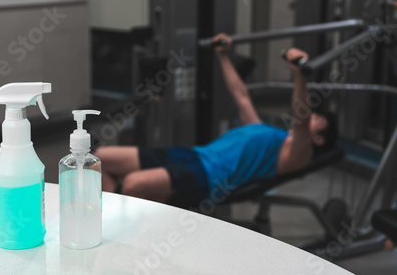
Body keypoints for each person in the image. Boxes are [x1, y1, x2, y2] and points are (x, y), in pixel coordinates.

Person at [96, 34, 338, 208]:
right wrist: (222, 56)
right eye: (315, 114)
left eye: (319, 120)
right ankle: (111, 224)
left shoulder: (297, 155)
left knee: (133, 185)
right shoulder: (266, 131)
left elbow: (301, 118)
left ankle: (120, 235)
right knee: (100, 159)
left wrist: (298, 76)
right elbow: (241, 95)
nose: (313, 116)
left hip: (208, 177)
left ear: (318, 139)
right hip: (193, 155)